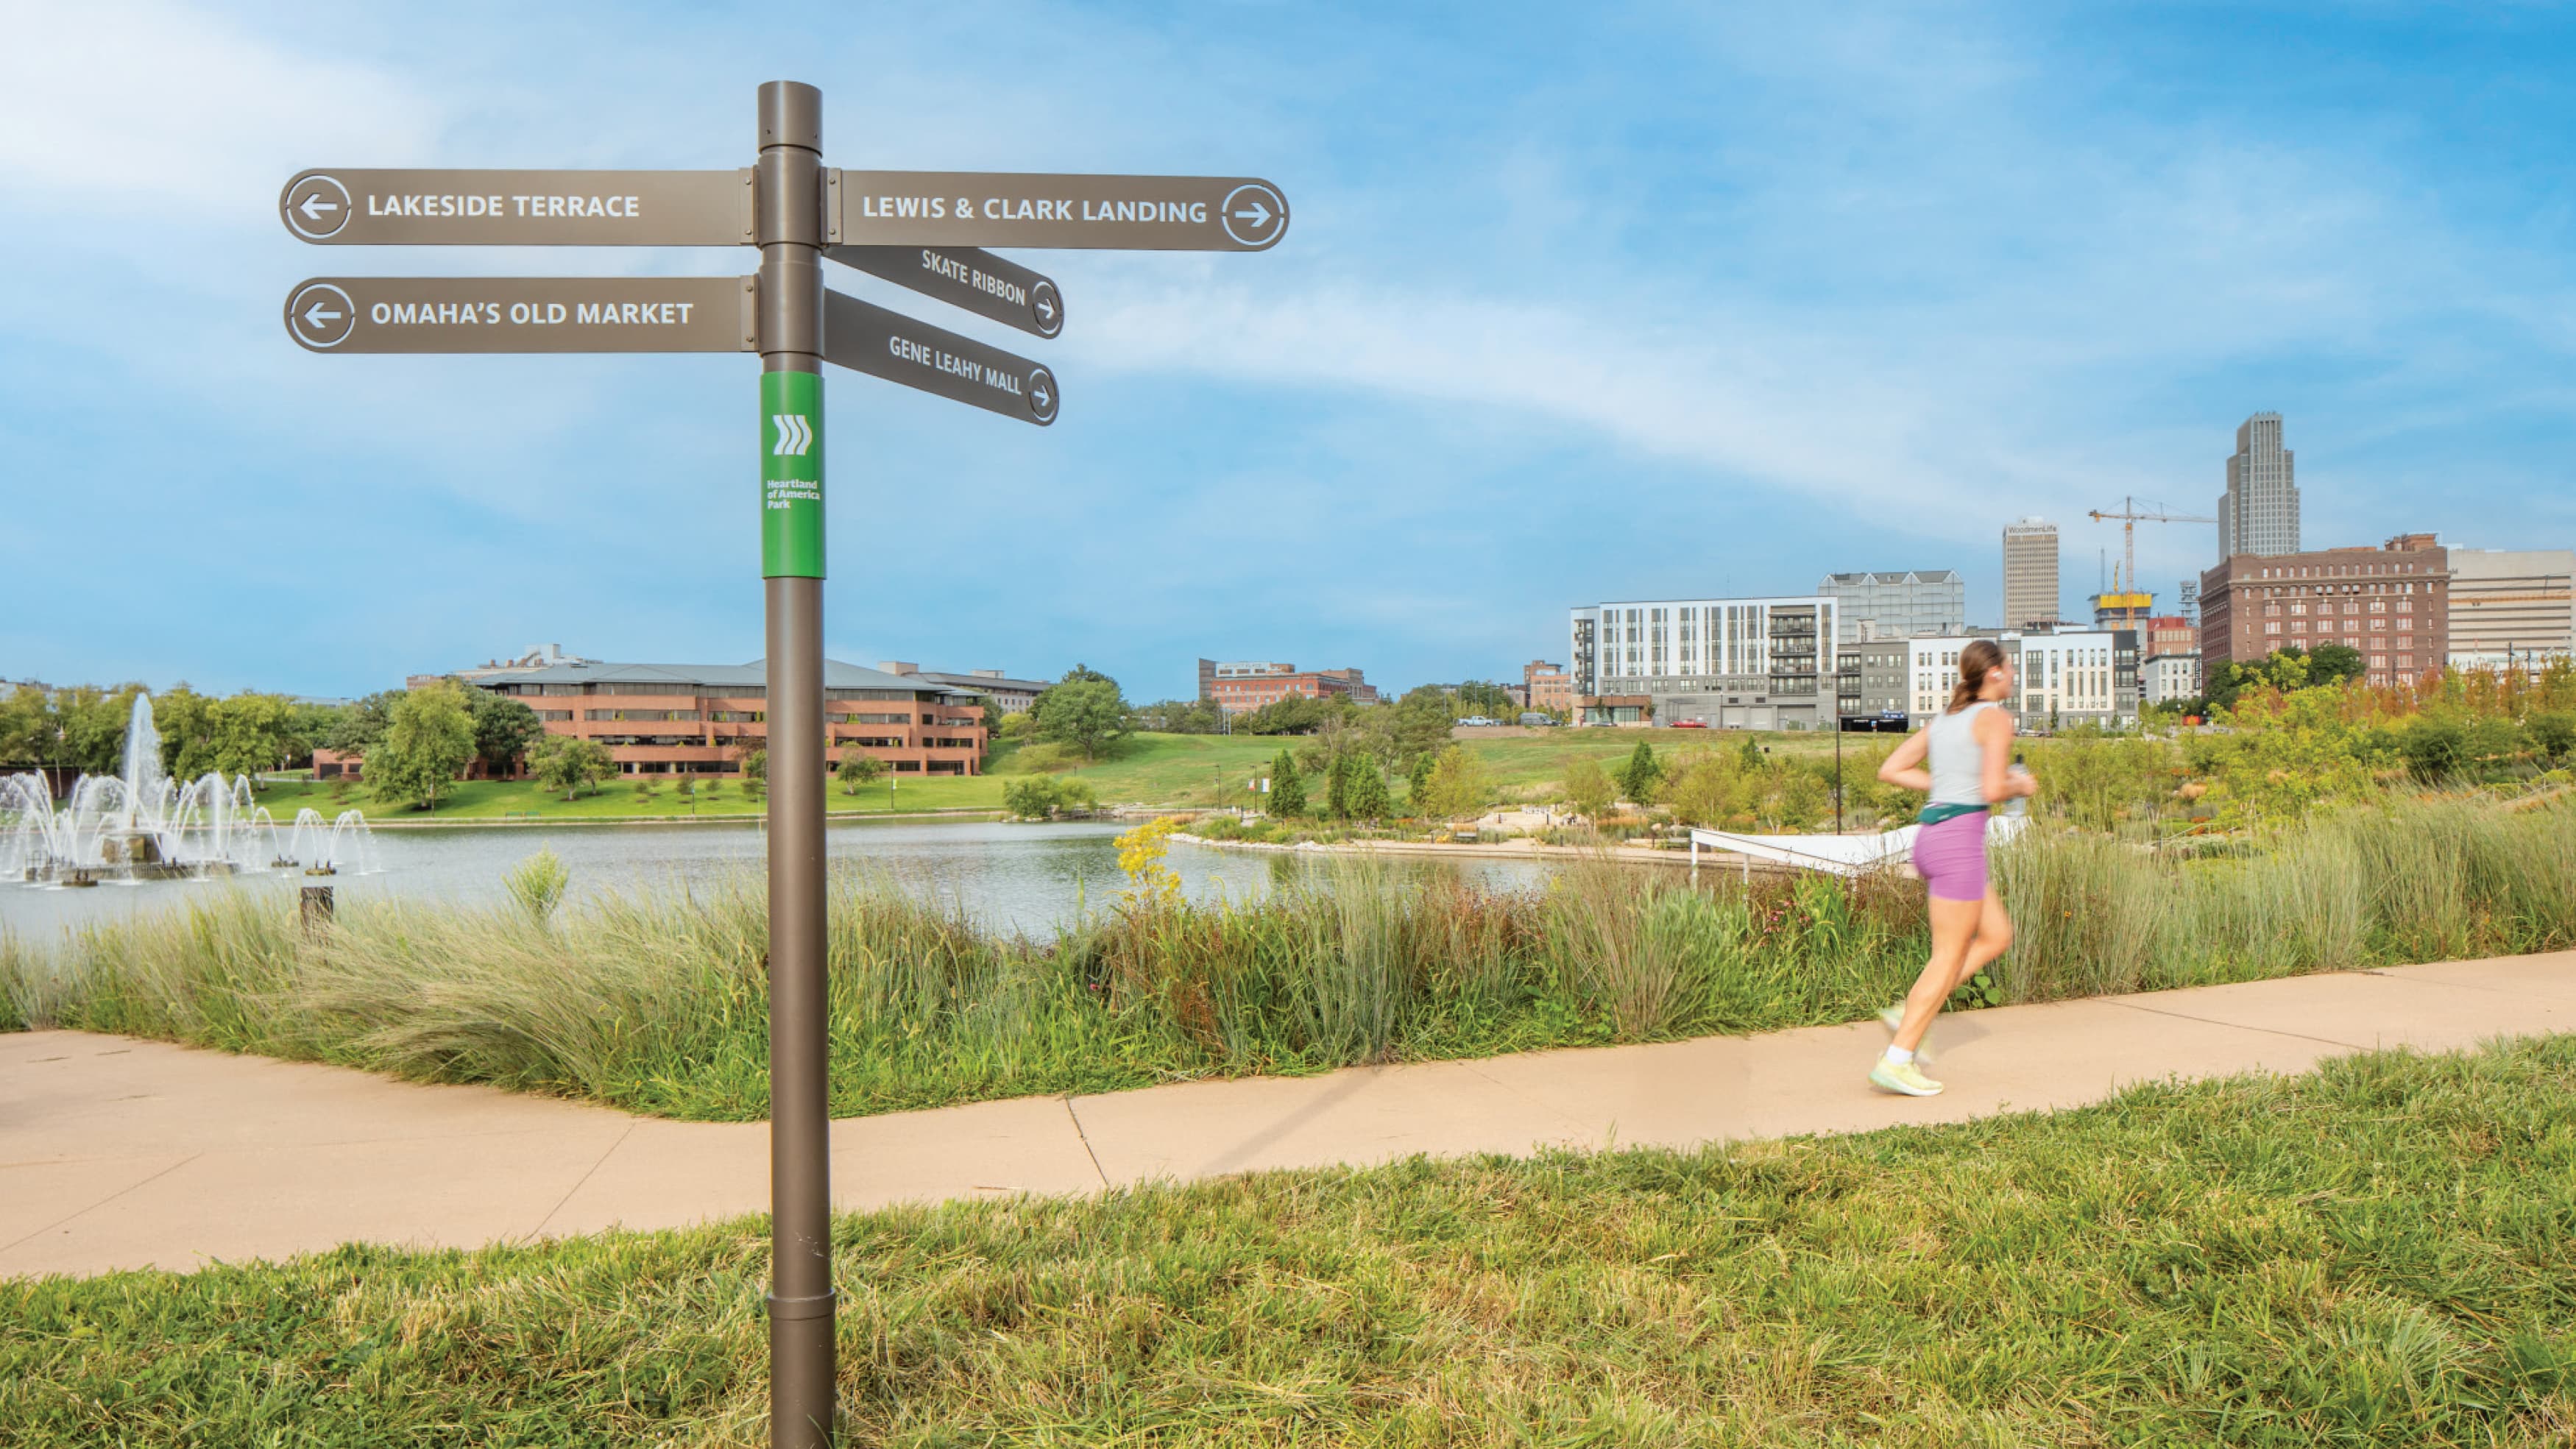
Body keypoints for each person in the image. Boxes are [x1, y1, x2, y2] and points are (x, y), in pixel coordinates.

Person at [1866, 638, 2037, 1097]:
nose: (2014, 676)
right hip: (1958, 843)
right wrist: (2020, 784)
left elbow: (1892, 768)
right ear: (1995, 673)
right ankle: (1897, 1059)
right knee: (1946, 959)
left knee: (1997, 934)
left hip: (1933, 838)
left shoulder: (1945, 719)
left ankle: (1910, 1012)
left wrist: (1944, 785)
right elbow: (1990, 788)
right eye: (2011, 668)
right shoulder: (1996, 719)